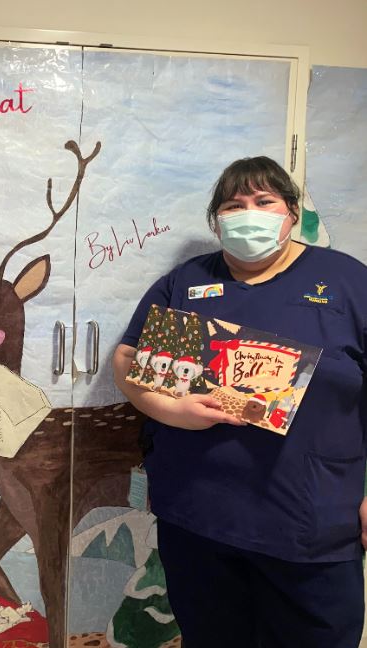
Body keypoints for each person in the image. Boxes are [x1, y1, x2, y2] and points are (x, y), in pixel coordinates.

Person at [112, 156, 367, 648]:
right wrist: (172, 411)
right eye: (233, 204)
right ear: (216, 221)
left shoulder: (346, 283)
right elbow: (130, 360)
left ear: (291, 213)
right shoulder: (189, 284)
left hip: (310, 529)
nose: (248, 212)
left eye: (264, 201)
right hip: (199, 521)